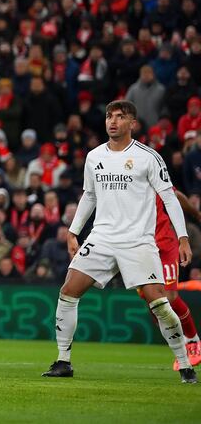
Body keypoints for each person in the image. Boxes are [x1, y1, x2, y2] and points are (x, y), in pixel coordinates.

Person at [42, 100, 197, 383]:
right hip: (101, 237)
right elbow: (89, 196)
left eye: (120, 117)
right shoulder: (94, 156)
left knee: (160, 304)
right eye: (109, 116)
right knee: (68, 291)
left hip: (138, 242)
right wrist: (73, 231)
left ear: (132, 124)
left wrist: (183, 237)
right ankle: (63, 360)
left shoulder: (148, 157)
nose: (113, 121)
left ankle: (185, 364)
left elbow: (169, 198)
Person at [139, 189, 201, 371]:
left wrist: (195, 213)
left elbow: (176, 195)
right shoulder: (121, 184)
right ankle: (182, 350)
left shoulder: (151, 177)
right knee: (152, 303)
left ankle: (193, 341)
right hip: (139, 248)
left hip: (164, 244)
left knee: (170, 296)